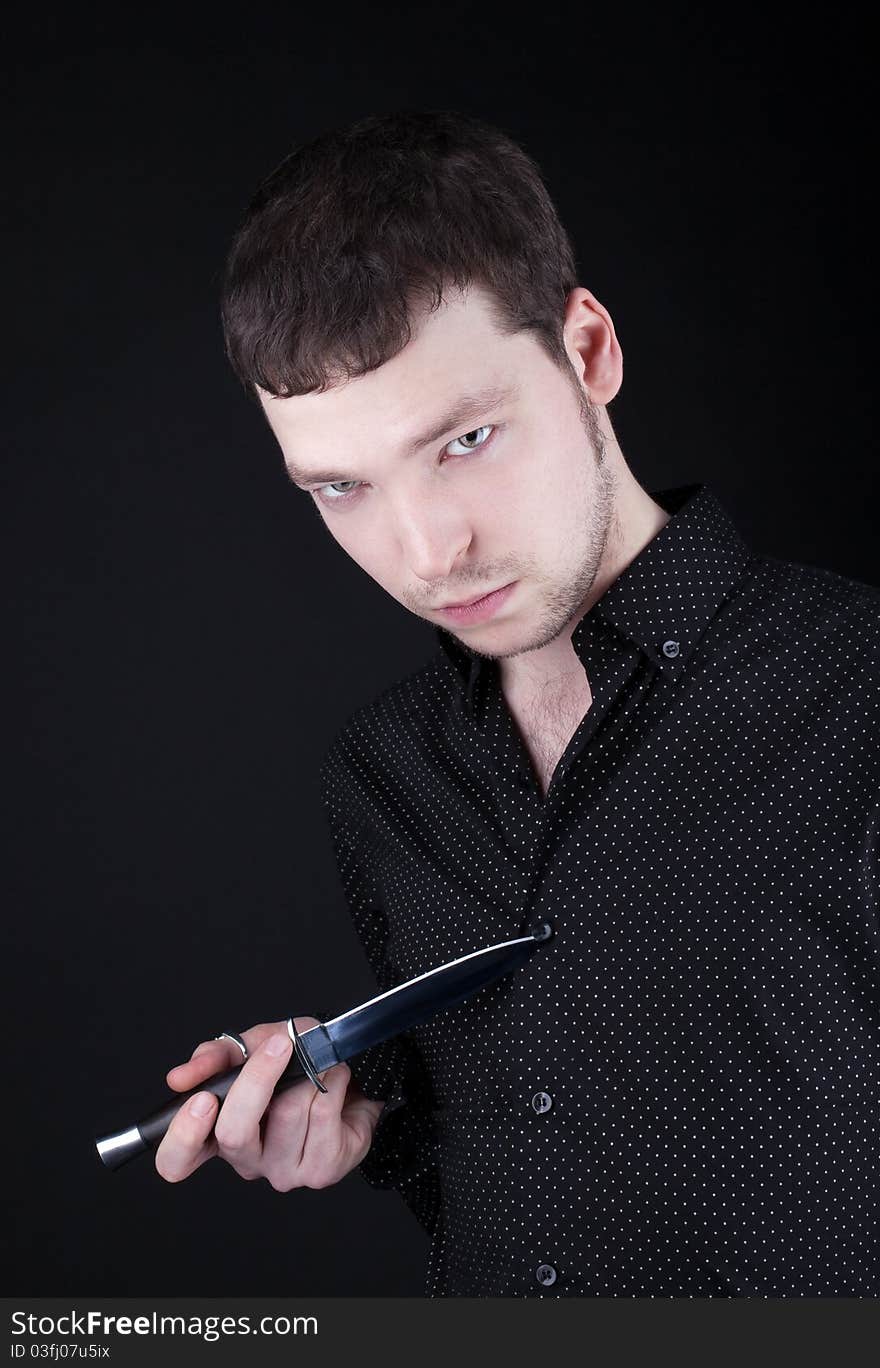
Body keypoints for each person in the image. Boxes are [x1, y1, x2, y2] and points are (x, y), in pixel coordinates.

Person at [154, 110, 880, 1296]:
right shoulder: (385, 774)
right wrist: (370, 1129)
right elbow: (514, 1186)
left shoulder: (859, 699)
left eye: (466, 439)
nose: (426, 552)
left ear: (586, 351)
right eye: (341, 487)